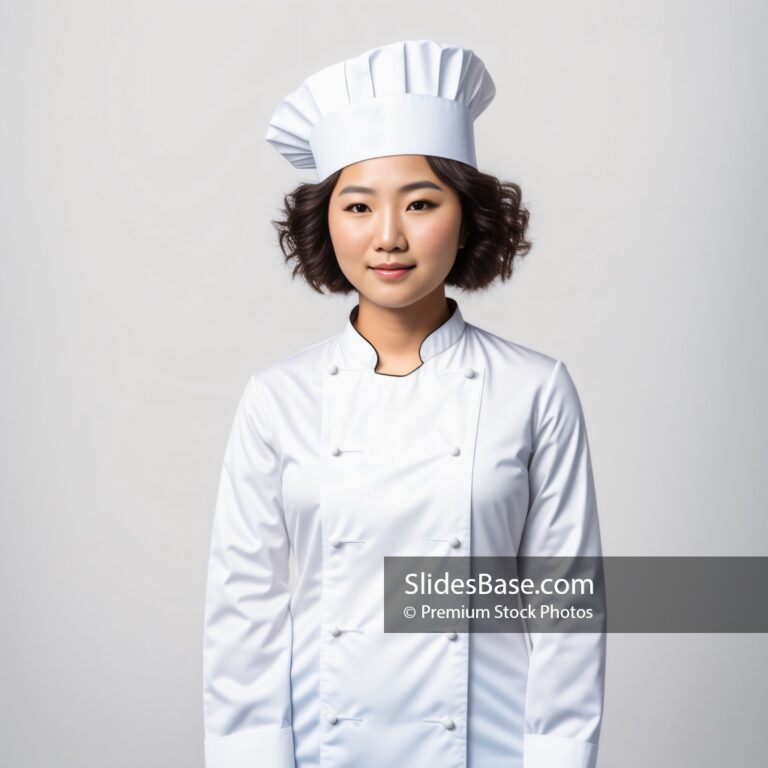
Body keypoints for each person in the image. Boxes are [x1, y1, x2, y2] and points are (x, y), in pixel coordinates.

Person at [202, 39, 606, 768]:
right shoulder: (277, 399)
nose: (389, 236)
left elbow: (567, 608)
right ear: (327, 222)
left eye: (421, 203)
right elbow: (245, 611)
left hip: (489, 749)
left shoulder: (535, 389)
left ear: (468, 216)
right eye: (358, 206)